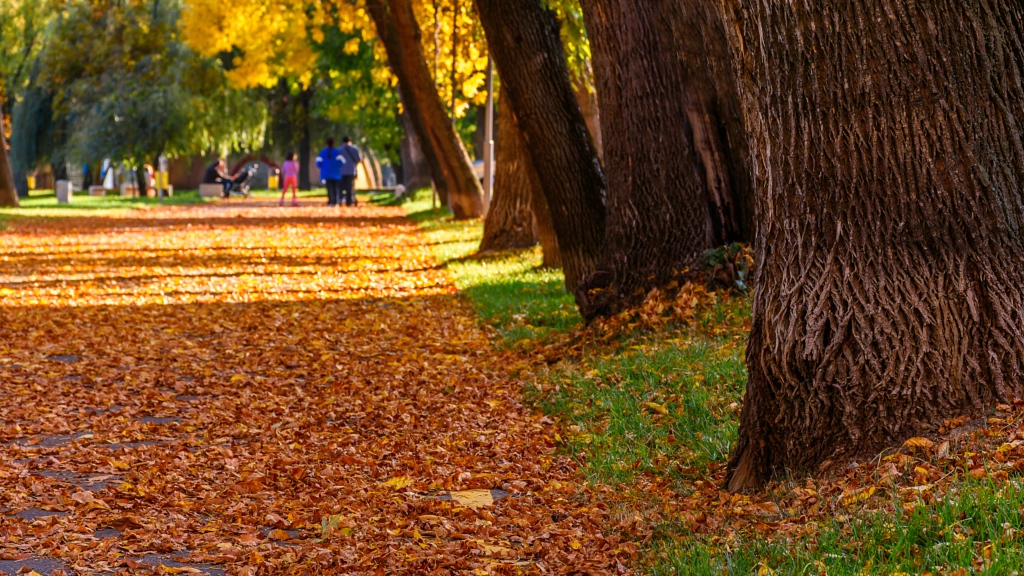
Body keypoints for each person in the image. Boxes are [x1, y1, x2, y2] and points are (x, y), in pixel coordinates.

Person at [315, 138, 345, 206]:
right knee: (336, 188)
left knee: (329, 188)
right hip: (336, 173)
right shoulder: (336, 152)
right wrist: (337, 166)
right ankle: (336, 201)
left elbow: (318, 163)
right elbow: (343, 162)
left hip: (326, 173)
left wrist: (323, 167)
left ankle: (331, 201)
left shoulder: (322, 152)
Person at [338, 136, 362, 207]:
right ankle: (349, 201)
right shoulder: (355, 149)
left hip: (341, 171)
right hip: (351, 171)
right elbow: (359, 159)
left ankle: (341, 199)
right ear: (350, 141)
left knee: (341, 186)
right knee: (350, 186)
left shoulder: (339, 150)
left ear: (342, 142)